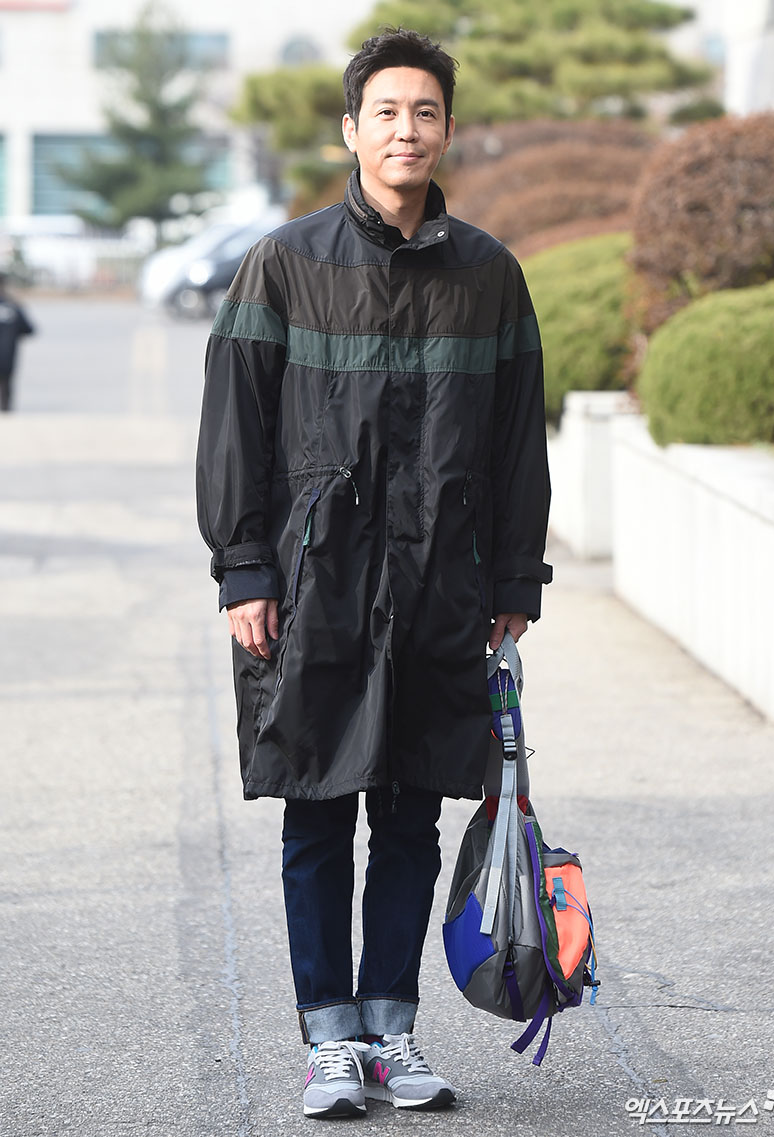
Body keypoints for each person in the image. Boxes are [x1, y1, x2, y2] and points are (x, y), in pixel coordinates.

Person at [196, 28, 551, 1120]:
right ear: (351, 129)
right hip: (315, 588)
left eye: (426, 112)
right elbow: (236, 431)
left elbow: (512, 445)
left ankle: (391, 1032)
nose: (407, 129)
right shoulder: (286, 263)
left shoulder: (488, 275)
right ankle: (326, 1042)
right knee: (316, 810)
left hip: (442, 585)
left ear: (447, 130)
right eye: (386, 111)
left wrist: (513, 584)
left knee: (408, 816)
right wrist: (243, 569)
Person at [0, 272, 35, 413]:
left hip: (8, 356)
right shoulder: (14, 306)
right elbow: (29, 330)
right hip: (8, 356)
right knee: (6, 392)